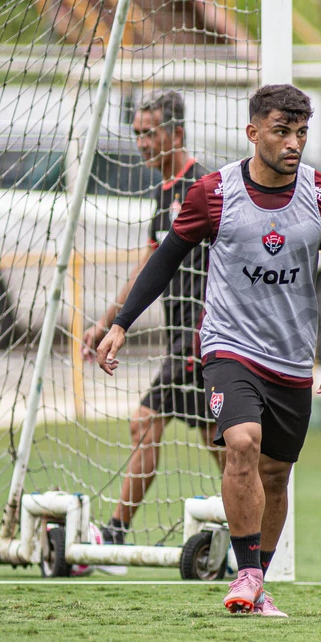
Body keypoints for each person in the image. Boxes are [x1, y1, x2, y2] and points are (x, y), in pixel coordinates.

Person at [95, 84, 321, 617]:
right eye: (282, 132)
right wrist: (121, 323)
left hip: (291, 356)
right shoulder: (213, 193)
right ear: (253, 132)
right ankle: (246, 574)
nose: (293, 143)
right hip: (227, 346)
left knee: (275, 474)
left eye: (301, 133)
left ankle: (257, 579)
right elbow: (164, 260)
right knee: (242, 442)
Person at [81, 90, 217, 545]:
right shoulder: (163, 192)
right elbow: (149, 265)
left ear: (175, 134)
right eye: (137, 133)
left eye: (149, 133)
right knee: (219, 441)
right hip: (181, 334)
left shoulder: (202, 186)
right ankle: (248, 531)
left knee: (145, 420)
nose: (141, 142)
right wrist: (108, 322)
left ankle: (115, 533)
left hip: (200, 334)